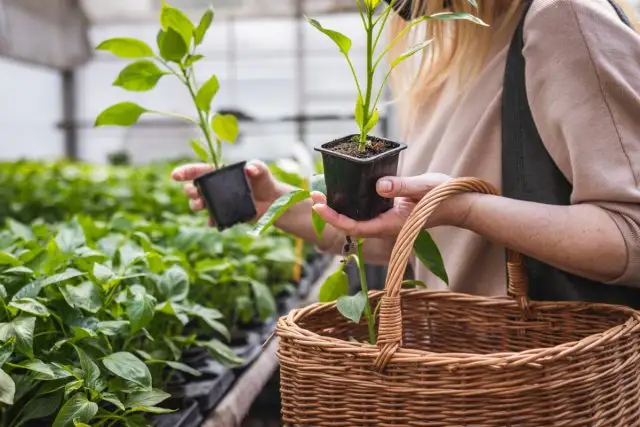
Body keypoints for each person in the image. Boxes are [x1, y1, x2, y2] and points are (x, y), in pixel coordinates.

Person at [173, 0, 640, 301]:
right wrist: (272, 203)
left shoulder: (564, 18)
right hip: (462, 380)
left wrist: (464, 209)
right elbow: (403, 234)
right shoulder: (455, 50)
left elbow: (630, 235)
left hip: (546, 384)